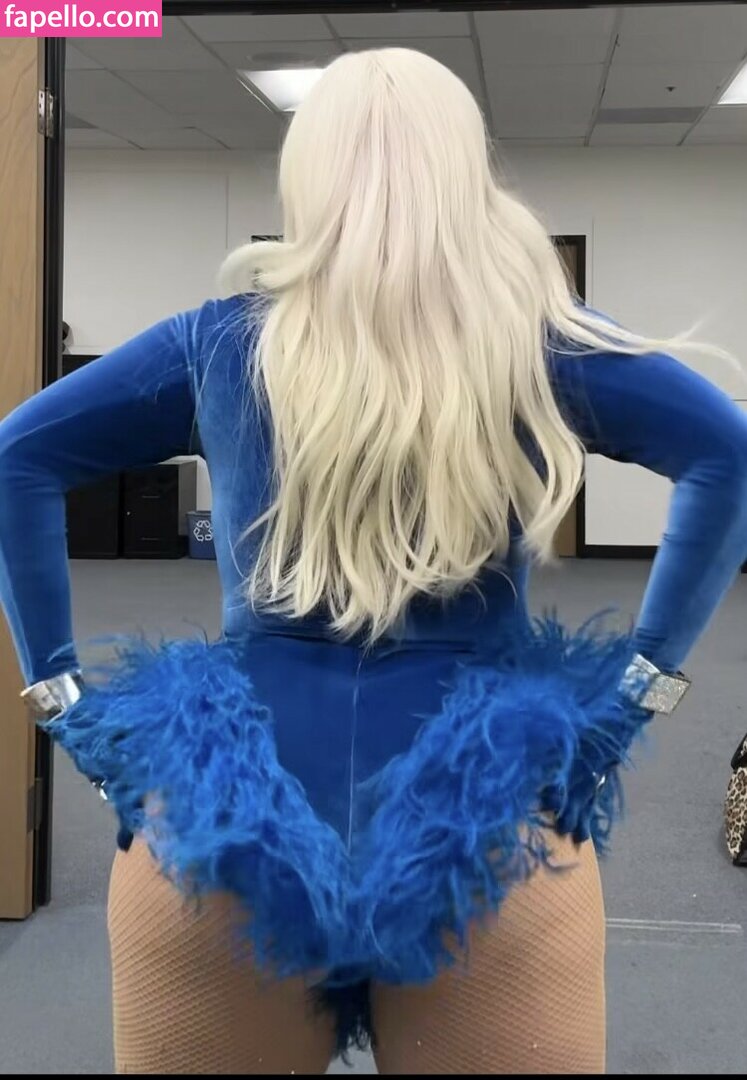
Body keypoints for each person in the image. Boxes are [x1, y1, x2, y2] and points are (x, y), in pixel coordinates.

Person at [1, 48, 746, 1076]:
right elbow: (727, 452)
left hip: (229, 812)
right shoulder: (539, 340)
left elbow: (17, 458)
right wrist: (635, 692)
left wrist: (64, 701)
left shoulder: (217, 343)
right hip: (484, 816)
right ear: (465, 170)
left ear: (304, 176)